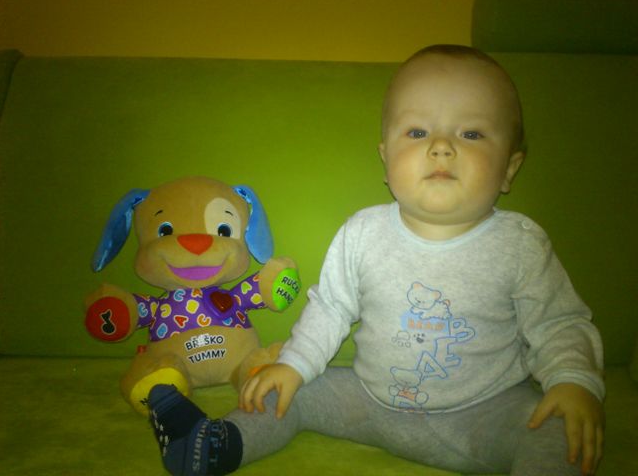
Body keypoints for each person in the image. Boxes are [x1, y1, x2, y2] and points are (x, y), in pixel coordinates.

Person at [147, 44, 605, 476]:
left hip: (486, 414)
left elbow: (559, 323)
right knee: (287, 388)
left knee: (558, 429)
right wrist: (296, 364)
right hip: (367, 401)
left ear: (509, 168)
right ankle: (216, 443)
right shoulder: (363, 233)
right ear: (386, 160)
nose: (441, 146)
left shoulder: (520, 244)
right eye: (418, 132)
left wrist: (572, 380)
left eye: (471, 133)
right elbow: (330, 308)